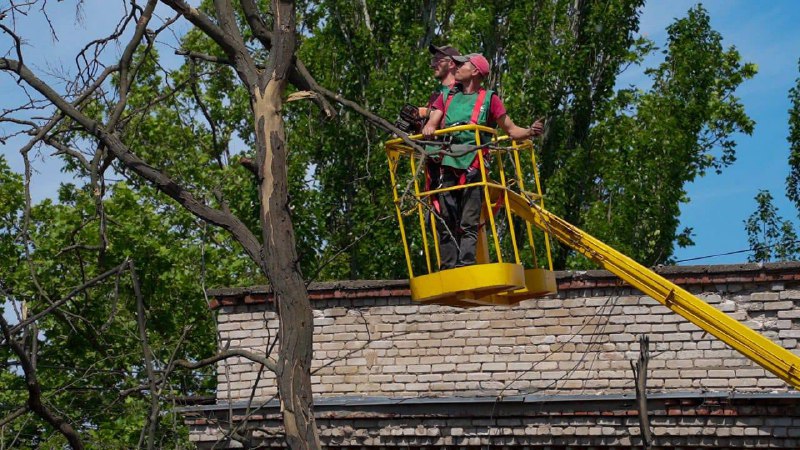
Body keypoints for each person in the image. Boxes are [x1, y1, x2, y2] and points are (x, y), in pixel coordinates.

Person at [422, 53, 544, 270]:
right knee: (446, 218)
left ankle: (466, 265)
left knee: (468, 220)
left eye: (462, 65)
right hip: (449, 162)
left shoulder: (490, 99)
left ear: (475, 71)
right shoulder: (448, 96)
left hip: (473, 165)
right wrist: (429, 127)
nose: (456, 67)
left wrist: (530, 131)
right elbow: (434, 120)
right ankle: (448, 267)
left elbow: (511, 129)